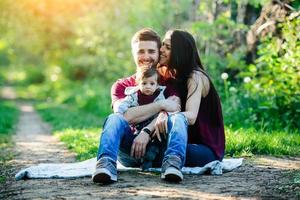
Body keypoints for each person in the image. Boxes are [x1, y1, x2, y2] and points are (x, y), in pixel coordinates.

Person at [92, 28, 185, 184]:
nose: (146, 56)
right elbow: (125, 116)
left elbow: (176, 109)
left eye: (151, 51)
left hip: (161, 149)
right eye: (141, 51)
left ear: (158, 53)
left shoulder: (170, 82)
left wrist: (147, 131)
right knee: (114, 119)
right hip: (131, 151)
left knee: (179, 119)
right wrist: (161, 105)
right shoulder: (121, 85)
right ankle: (106, 165)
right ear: (133, 53)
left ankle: (173, 165)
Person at [156, 29, 225, 170]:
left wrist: (166, 115)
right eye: (162, 44)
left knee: (156, 150)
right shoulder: (170, 75)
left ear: (180, 53)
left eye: (168, 47)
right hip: (182, 141)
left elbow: (191, 116)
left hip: (205, 149)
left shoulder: (196, 77)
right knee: (146, 147)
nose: (161, 49)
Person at [114, 66, 168, 170]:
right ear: (138, 84)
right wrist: (120, 111)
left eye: (152, 84)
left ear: (157, 85)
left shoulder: (159, 97)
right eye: (144, 83)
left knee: (158, 139)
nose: (148, 86)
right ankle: (144, 157)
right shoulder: (133, 95)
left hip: (154, 128)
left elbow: (165, 110)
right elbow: (123, 105)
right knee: (137, 139)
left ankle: (150, 155)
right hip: (138, 127)